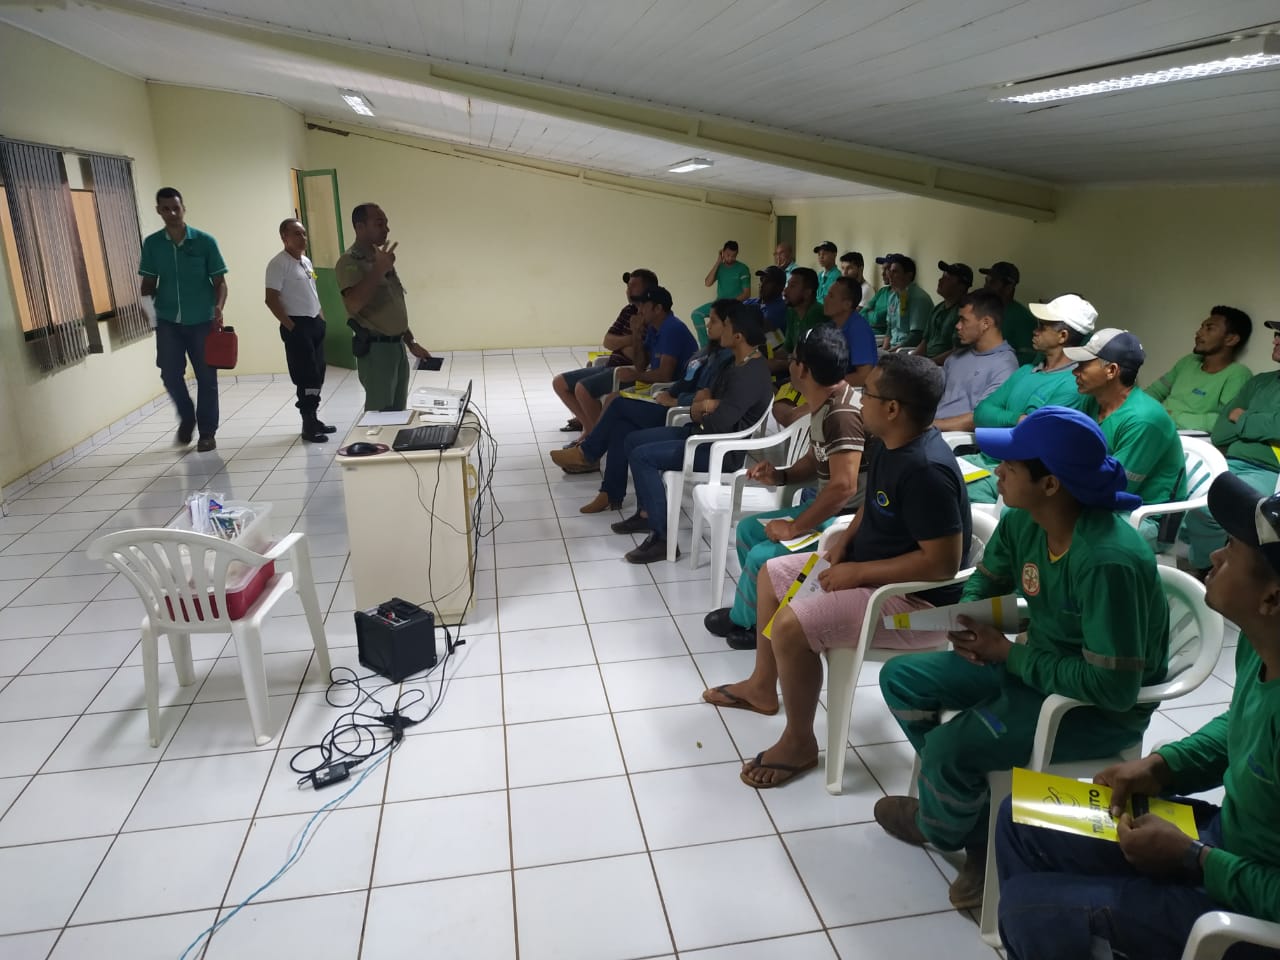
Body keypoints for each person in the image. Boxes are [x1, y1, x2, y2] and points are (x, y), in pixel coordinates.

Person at [874, 405, 1170, 911]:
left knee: (949, 748)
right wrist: (973, 620)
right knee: (903, 679)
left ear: (1051, 484)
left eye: (1010, 465)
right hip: (1034, 669)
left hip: (1090, 710)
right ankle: (967, 809)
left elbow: (1114, 689)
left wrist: (1009, 656)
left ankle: (957, 829)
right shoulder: (1024, 520)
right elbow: (991, 580)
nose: (997, 473)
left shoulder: (1107, 560)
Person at [994, 471, 1280, 960]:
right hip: (1224, 843)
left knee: (1028, 909)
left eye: (1231, 548)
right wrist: (1161, 766)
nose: (1214, 555)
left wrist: (1196, 861)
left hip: (1245, 899)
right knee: (1021, 816)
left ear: (1271, 597)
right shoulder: (1261, 647)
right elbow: (1239, 729)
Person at [703, 352, 971, 790]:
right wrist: (847, 538)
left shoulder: (927, 470)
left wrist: (859, 572)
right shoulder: (888, 442)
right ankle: (761, 686)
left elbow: (941, 563)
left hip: (915, 605)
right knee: (772, 573)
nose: (859, 399)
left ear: (892, 409)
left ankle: (799, 742)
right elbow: (875, 503)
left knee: (791, 626)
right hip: (874, 576)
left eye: (869, 393)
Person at [703, 324, 868, 650]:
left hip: (845, 521)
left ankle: (754, 624)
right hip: (828, 507)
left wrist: (794, 527)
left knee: (763, 555)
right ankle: (751, 615)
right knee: (749, 529)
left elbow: (843, 487)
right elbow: (817, 460)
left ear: (802, 369)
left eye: (792, 358)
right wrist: (780, 475)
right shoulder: (825, 403)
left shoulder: (843, 414)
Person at [613, 304, 774, 564]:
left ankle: (662, 539)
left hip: (720, 451)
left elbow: (718, 423)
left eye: (726, 324)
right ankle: (646, 514)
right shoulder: (735, 363)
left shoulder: (750, 374)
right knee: (632, 440)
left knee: (643, 457)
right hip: (701, 435)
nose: (716, 328)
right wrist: (705, 406)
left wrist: (706, 407)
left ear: (738, 336)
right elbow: (705, 398)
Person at [553, 299, 734, 497]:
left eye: (713, 321)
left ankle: (588, 453)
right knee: (621, 425)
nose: (707, 325)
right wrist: (637, 336)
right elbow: (681, 380)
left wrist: (674, 400)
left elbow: (706, 398)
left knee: (618, 405)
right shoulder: (707, 352)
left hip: (682, 414)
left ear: (729, 325)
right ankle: (610, 493)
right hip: (670, 399)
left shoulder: (724, 359)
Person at [962, 293, 1097, 503]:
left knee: (942, 487)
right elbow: (981, 412)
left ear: (1062, 336)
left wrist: (1006, 419)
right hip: (981, 460)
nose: (1034, 331)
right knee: (928, 470)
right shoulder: (1026, 371)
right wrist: (1017, 419)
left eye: (1042, 327)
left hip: (1011, 473)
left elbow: (1032, 438)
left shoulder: (1072, 386)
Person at [1066, 328, 1186, 544]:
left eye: (1084, 365)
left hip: (1144, 517)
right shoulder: (1092, 400)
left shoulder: (1144, 419)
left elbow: (1112, 488)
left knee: (1058, 524)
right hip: (1095, 499)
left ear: (1111, 370)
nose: (1075, 372)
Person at [1183, 320, 1280, 576]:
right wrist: (1263, 425)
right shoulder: (1261, 382)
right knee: (1175, 494)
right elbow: (1222, 430)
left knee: (1208, 509)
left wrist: (1245, 418)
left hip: (1269, 470)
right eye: (1277, 334)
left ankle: (1205, 571)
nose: (1276, 340)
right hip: (1230, 461)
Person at [138, 186, 228, 453]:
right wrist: (153, 319)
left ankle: (207, 432)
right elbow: (147, 285)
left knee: (206, 377)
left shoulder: (204, 241)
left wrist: (218, 308)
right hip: (168, 322)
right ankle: (188, 416)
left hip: (202, 320)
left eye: (176, 208)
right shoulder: (153, 244)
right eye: (166, 209)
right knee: (169, 374)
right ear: (159, 211)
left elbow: (220, 282)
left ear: (183, 208)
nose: (172, 213)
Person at [335, 203, 431, 412]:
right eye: (379, 223)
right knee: (379, 416)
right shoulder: (349, 262)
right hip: (376, 350)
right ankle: (373, 446)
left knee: (397, 413)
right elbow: (353, 304)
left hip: (396, 347)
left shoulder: (380, 259)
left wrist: (411, 342)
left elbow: (393, 306)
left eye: (386, 223)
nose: (386, 229)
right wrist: (378, 269)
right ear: (360, 227)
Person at [571, 285, 697, 442]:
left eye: (644, 305)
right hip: (656, 386)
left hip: (669, 390)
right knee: (612, 398)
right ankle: (592, 446)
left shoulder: (672, 328)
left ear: (658, 308)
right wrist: (636, 334)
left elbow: (665, 375)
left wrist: (635, 375)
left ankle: (590, 447)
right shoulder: (654, 328)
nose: (640, 309)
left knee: (614, 400)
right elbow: (641, 365)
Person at [553, 269, 657, 436]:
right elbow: (607, 341)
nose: (628, 290)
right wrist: (629, 339)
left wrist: (619, 343)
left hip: (625, 372)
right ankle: (589, 429)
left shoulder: (652, 316)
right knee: (559, 383)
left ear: (648, 289)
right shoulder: (628, 311)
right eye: (628, 286)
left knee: (581, 388)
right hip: (610, 365)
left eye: (633, 286)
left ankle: (592, 439)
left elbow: (637, 358)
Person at [264, 218, 334, 444]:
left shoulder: (305, 261)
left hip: (314, 323)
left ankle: (314, 418)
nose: (302, 238)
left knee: (318, 372)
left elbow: (311, 291)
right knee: (306, 376)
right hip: (297, 325)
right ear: (284, 237)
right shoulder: (278, 264)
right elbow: (271, 299)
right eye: (296, 234)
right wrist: (290, 325)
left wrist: (321, 317)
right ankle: (308, 423)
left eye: (303, 233)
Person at [1145, 306, 1253, 432]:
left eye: (1209, 328)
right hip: (1156, 426)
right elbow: (1156, 391)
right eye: (1202, 327)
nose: (1199, 332)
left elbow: (1226, 420)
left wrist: (1171, 416)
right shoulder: (1189, 361)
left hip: (1189, 440)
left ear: (1231, 339)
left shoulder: (1238, 374)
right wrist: (1136, 407)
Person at [932, 290, 1019, 432]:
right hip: (931, 430)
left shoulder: (1005, 366)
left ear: (986, 323)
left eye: (963, 320)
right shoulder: (956, 357)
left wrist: (929, 426)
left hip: (954, 438)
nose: (958, 326)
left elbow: (982, 417)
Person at [770, 268, 827, 426]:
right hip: (794, 367)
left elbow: (810, 360)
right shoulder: (792, 312)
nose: (786, 290)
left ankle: (795, 427)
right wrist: (767, 358)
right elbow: (787, 348)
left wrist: (778, 364)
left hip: (810, 374)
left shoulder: (817, 313)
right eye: (788, 284)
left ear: (808, 293)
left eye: (793, 286)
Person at [692, 241, 751, 347]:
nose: (730, 258)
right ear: (722, 252)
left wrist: (730, 304)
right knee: (696, 314)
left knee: (722, 324)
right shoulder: (720, 267)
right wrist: (718, 262)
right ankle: (705, 346)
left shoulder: (743, 269)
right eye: (728, 255)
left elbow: (747, 294)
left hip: (734, 305)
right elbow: (707, 283)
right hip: (718, 304)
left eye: (733, 256)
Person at [979, 261, 1037, 365]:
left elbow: (1027, 358)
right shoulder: (983, 310)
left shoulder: (1022, 318)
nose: (986, 286)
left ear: (1008, 288)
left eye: (992, 282)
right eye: (986, 281)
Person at [914, 261, 972, 364]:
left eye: (947, 279)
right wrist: (911, 361)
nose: (940, 280)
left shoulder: (965, 313)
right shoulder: (938, 308)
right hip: (928, 364)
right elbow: (925, 343)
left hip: (944, 367)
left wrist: (928, 364)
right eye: (942, 277)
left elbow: (957, 352)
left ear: (961, 286)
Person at [880, 254, 934, 351]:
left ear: (908, 275)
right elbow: (889, 328)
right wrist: (884, 350)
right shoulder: (892, 297)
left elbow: (916, 336)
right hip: (892, 349)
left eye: (895, 272)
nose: (890, 275)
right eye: (890, 271)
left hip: (907, 350)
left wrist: (891, 352)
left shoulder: (918, 298)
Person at [745, 266, 788, 341]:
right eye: (761, 280)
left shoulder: (781, 310)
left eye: (767, 281)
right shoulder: (750, 302)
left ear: (780, 287)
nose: (762, 284)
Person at [863, 256, 895, 340]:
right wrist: (873, 315)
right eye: (882, 269)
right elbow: (863, 313)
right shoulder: (882, 291)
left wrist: (872, 314)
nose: (883, 274)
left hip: (879, 338)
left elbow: (879, 319)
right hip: (866, 331)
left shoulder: (899, 296)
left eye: (887, 269)